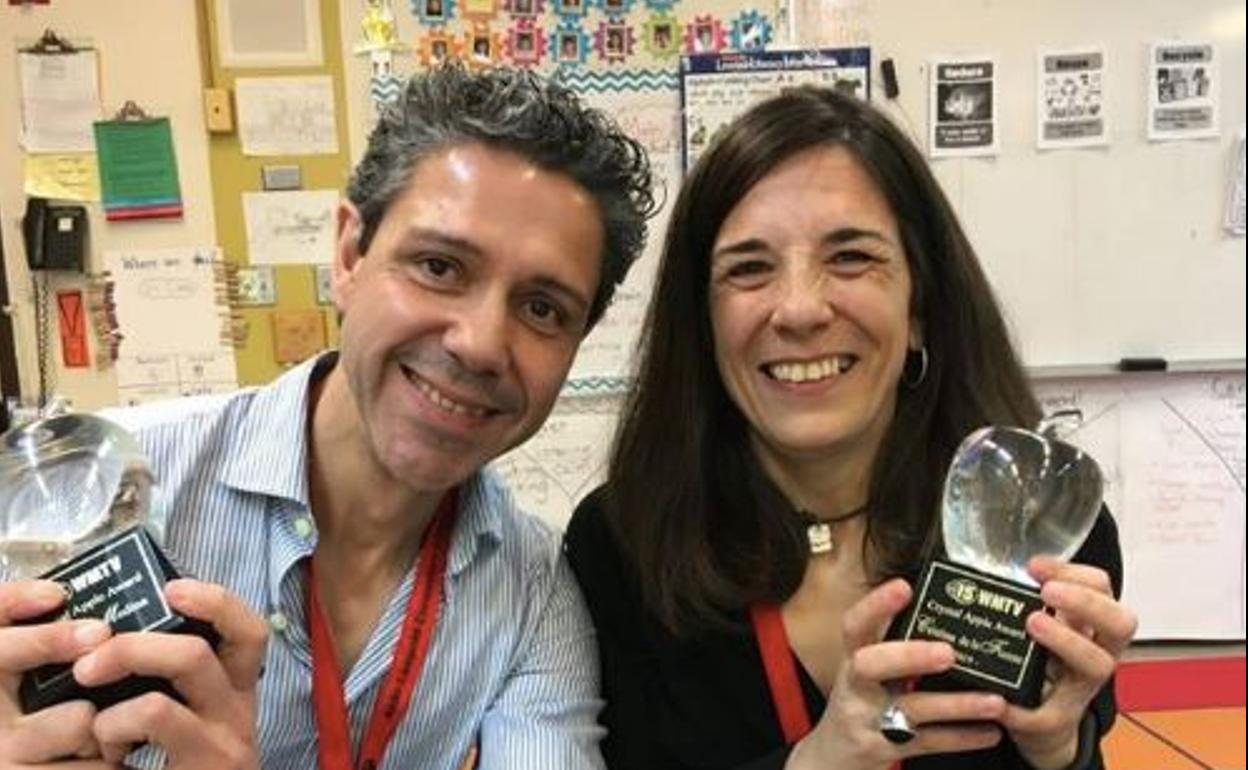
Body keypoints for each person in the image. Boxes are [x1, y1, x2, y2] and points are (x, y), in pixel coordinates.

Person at [1, 63, 654, 770]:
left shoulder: (533, 595)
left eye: (542, 309)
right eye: (439, 266)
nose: (480, 344)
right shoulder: (86, 494)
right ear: (349, 254)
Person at [564, 85, 1136, 770]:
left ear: (919, 303)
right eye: (749, 269)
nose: (800, 310)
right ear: (704, 324)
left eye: (851, 257)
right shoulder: (624, 548)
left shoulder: (1041, 530)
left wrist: (1061, 749)